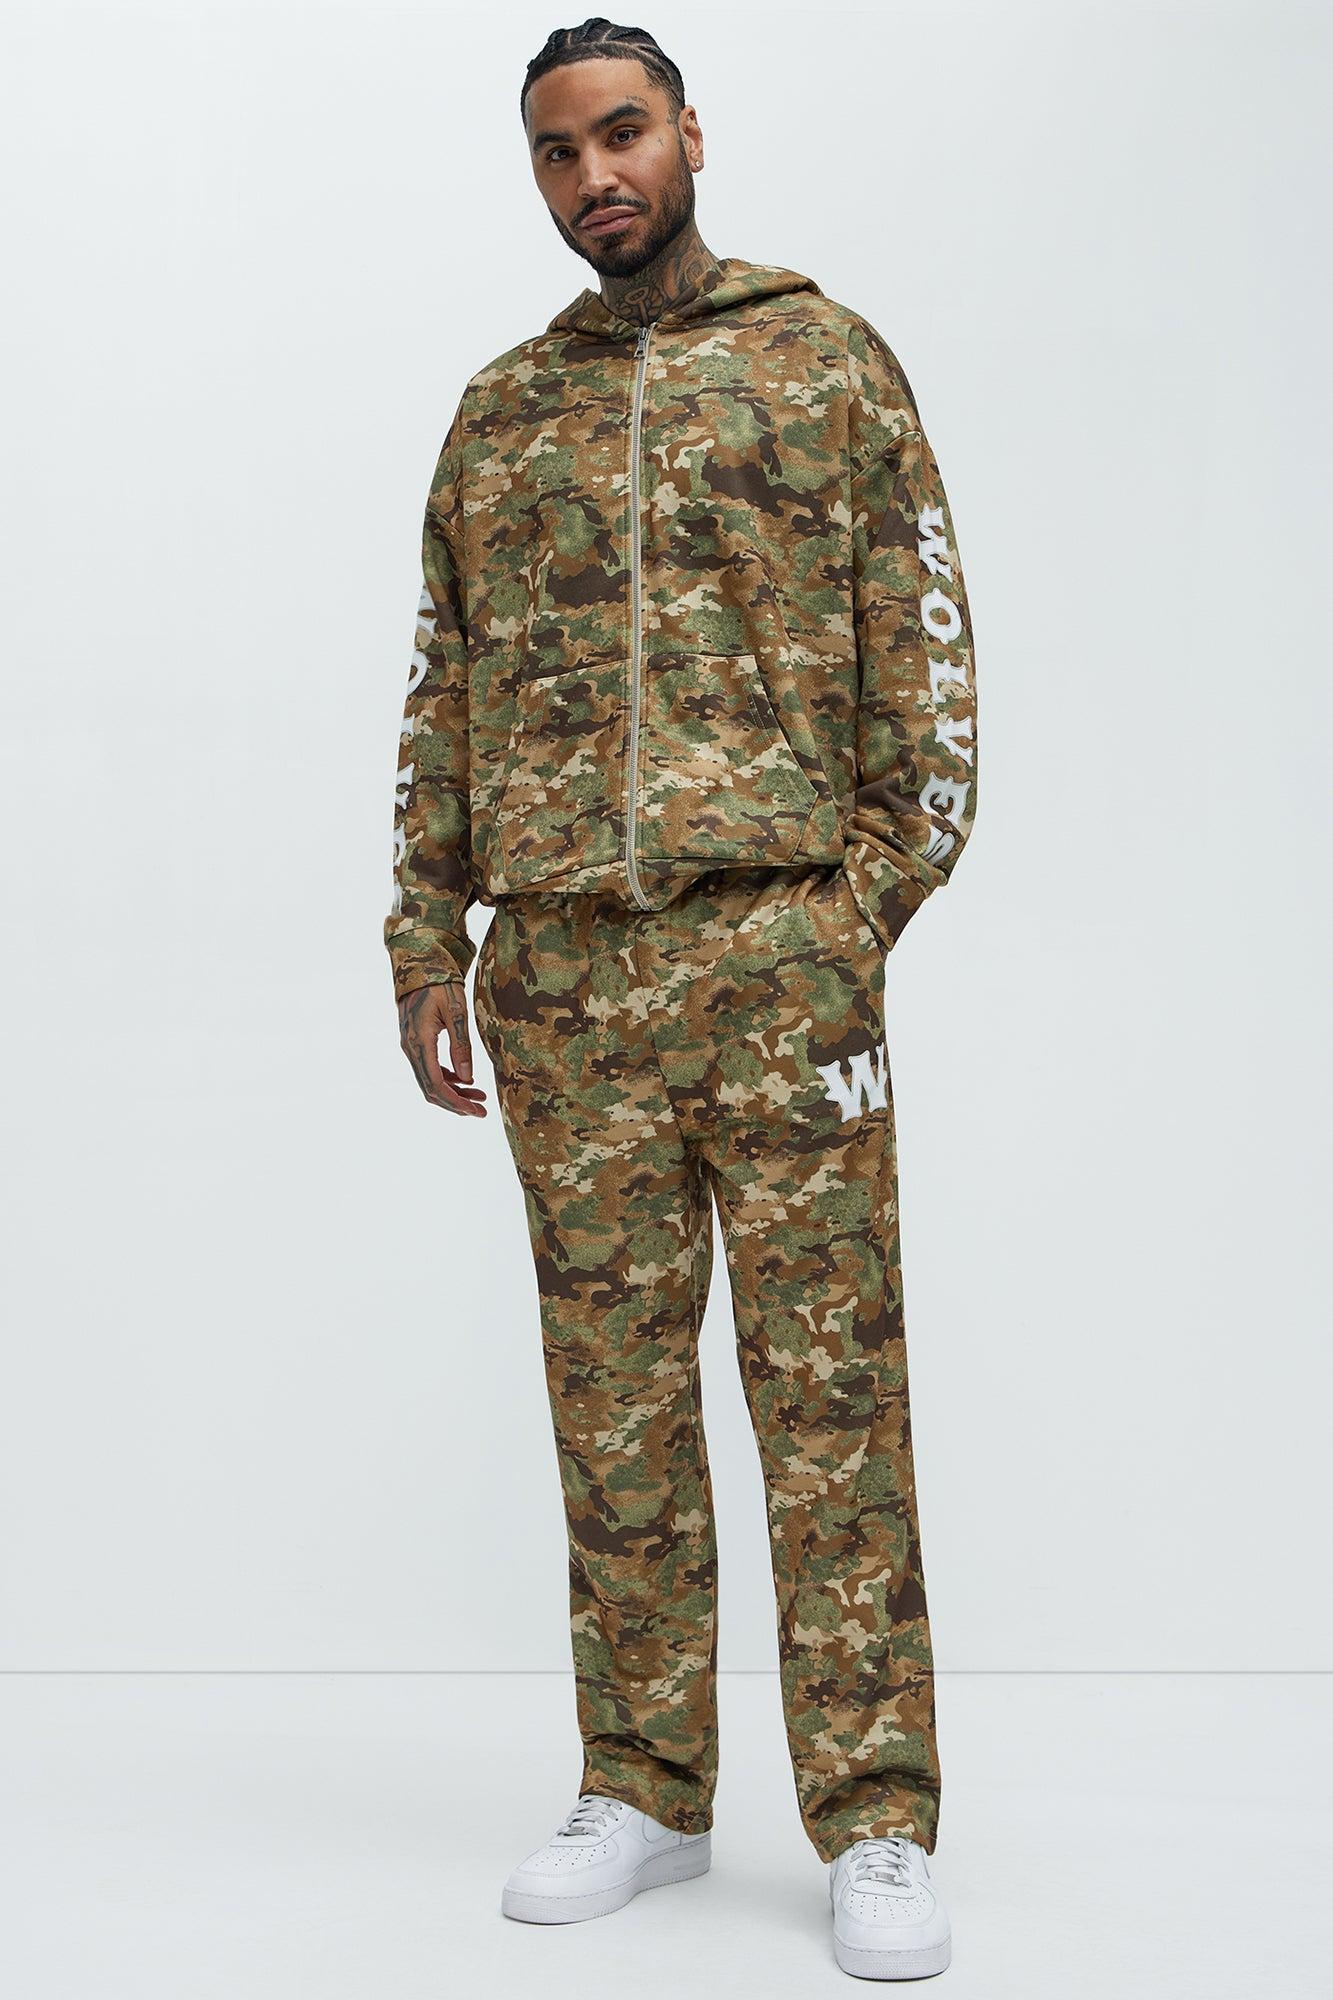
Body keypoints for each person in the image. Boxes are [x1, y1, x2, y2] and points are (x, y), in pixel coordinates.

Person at [384, 16, 976, 1982]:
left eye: (621, 134)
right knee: (614, 1415)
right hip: (567, 989)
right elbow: (444, 690)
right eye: (557, 153)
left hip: (774, 969)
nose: (594, 178)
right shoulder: (500, 415)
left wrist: (849, 917)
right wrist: (427, 935)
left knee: (831, 1401)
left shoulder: (824, 362)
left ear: (691, 135)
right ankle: (641, 1786)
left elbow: (927, 670)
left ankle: (875, 1817)